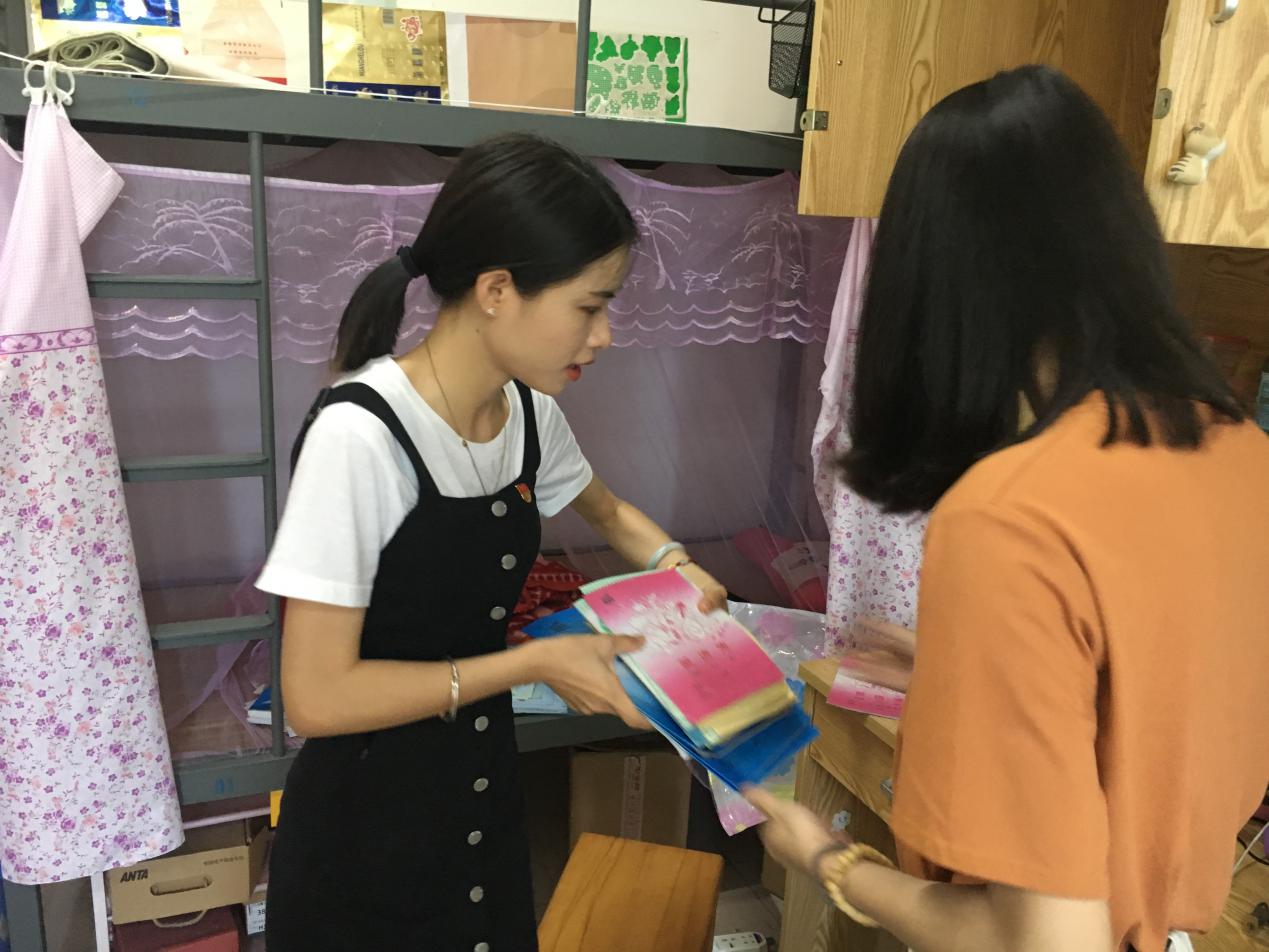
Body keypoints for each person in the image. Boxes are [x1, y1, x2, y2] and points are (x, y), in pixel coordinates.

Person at [747, 65, 1269, 952]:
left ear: (932, 280)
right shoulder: (1241, 453)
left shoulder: (1010, 515)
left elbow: (1044, 941)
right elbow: (1151, 701)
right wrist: (962, 671)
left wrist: (828, 860)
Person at [256, 133, 727, 952]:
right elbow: (317, 700)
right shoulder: (360, 437)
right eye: (589, 306)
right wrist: (532, 664)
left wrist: (676, 566)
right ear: (497, 290)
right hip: (363, 837)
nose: (604, 335)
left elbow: (610, 513)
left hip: (479, 795)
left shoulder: (530, 416)